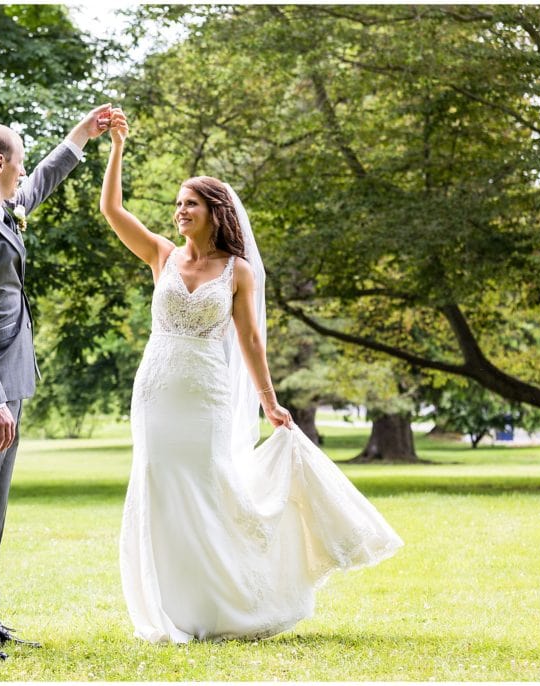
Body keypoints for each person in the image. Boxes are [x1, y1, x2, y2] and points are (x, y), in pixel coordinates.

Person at [99, 108, 403, 643]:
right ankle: (176, 611)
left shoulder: (237, 271)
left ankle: (226, 604)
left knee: (212, 489)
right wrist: (117, 149)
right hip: (156, 392)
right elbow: (112, 209)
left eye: (189, 203)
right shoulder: (162, 257)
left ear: (215, 210)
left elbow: (251, 340)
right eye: (176, 205)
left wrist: (269, 402)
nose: (179, 213)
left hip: (207, 395)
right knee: (161, 489)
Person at [0, 104, 113, 661]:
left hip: (9, 384)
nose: (23, 175)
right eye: (20, 163)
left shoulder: (0, 210)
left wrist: (81, 136)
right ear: (0, 161)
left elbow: (40, 185)